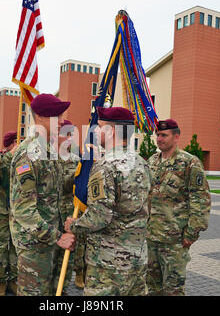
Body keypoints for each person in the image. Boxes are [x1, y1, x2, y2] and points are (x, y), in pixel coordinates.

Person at [65, 107, 151, 296]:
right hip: (137, 257)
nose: (95, 131)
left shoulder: (104, 166)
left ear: (111, 132)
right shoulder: (142, 163)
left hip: (109, 262)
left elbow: (100, 217)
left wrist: (74, 225)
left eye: (100, 126)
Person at [9, 93, 76, 296]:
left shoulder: (49, 151)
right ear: (40, 118)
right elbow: (23, 209)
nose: (62, 121)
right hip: (34, 244)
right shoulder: (29, 154)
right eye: (57, 116)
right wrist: (57, 237)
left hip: (51, 238)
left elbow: (53, 193)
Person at [146, 119, 211, 296]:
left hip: (174, 239)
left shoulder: (189, 162)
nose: (159, 139)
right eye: (157, 135)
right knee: (152, 287)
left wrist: (192, 232)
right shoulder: (152, 161)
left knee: (173, 288)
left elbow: (200, 199)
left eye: (164, 135)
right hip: (151, 236)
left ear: (176, 137)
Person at [0, 131, 19, 296]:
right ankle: (1, 282)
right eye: (17, 142)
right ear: (12, 143)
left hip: (17, 213)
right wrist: (9, 156)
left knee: (15, 248)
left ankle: (12, 281)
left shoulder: (23, 161)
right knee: (1, 248)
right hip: (1, 212)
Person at [52, 120, 81, 294]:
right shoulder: (47, 159)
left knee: (67, 259)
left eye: (70, 135)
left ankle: (61, 289)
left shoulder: (78, 161)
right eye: (64, 134)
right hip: (50, 218)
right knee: (50, 259)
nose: (68, 138)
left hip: (70, 216)